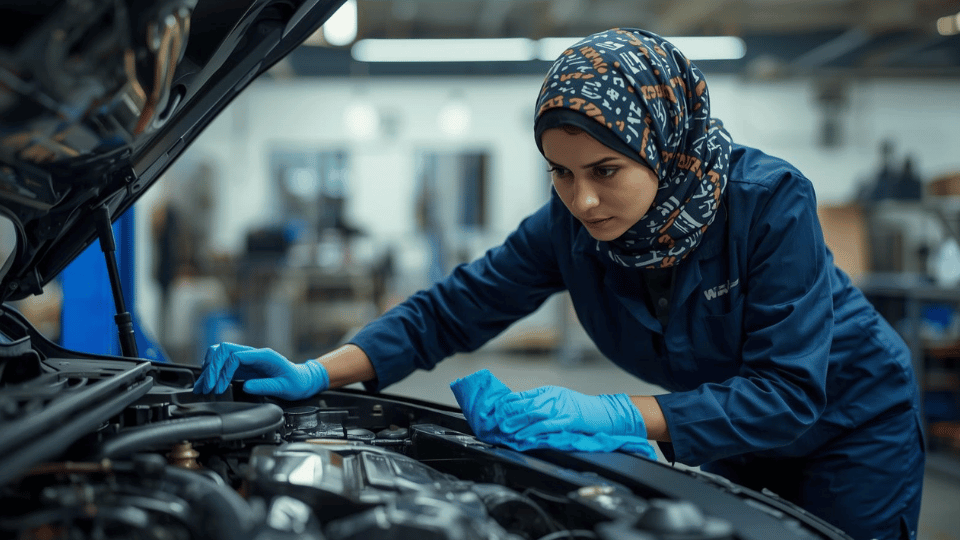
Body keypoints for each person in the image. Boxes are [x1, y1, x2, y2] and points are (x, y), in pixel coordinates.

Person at [194, 29, 924, 540]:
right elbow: (451, 310)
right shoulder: (570, 229)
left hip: (851, 423)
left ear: (664, 148)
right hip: (725, 430)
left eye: (605, 170)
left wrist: (616, 413)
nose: (583, 201)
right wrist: (316, 371)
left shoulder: (768, 204)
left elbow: (789, 391)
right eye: (562, 173)